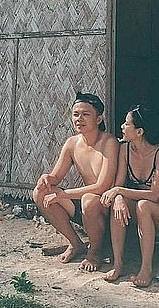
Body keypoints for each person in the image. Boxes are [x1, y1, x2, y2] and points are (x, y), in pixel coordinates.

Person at [32, 92, 120, 272]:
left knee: (89, 199)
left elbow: (103, 186)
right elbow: (56, 177)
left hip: (106, 207)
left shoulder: (109, 142)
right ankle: (76, 243)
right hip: (86, 206)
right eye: (76, 114)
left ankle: (95, 252)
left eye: (86, 114)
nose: (79, 119)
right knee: (40, 192)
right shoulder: (72, 143)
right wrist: (47, 178)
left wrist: (63, 194)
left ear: (98, 119)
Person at [100, 104, 159, 287]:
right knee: (119, 202)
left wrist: (119, 191)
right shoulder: (125, 149)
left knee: (142, 205)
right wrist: (118, 195)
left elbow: (154, 195)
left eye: (126, 123)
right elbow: (119, 185)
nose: (122, 126)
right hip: (143, 209)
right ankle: (118, 263)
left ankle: (146, 268)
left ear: (139, 131)